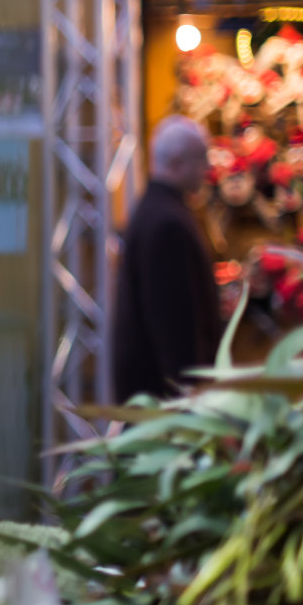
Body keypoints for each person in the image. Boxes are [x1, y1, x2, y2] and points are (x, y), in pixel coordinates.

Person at [112, 115, 222, 403]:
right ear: (175, 162)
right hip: (164, 399)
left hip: (154, 394)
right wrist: (188, 397)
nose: (207, 169)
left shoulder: (154, 211)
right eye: (200, 159)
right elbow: (174, 323)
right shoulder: (167, 222)